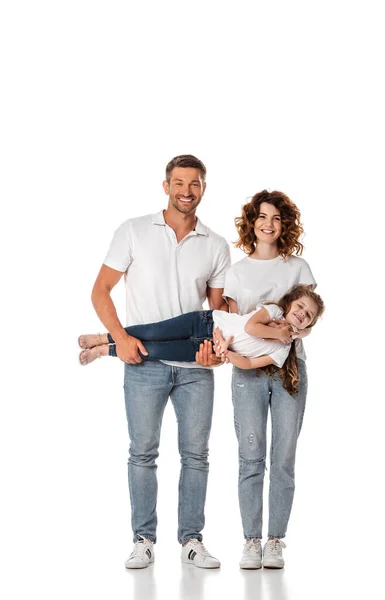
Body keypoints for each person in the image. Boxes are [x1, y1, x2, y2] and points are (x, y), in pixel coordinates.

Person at [90, 155, 231, 569]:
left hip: (195, 370)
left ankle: (191, 539)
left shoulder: (216, 244)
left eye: (195, 184)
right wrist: (119, 337)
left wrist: (217, 354)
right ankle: (143, 539)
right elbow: (101, 290)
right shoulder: (133, 231)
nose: (186, 191)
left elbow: (216, 315)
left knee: (196, 456)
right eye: (179, 182)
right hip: (143, 365)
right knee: (142, 452)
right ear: (166, 185)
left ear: (203, 188)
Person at [222, 189, 318, 570]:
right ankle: (250, 540)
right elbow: (230, 321)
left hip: (290, 371)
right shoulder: (236, 271)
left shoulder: (298, 267)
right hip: (246, 369)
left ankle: (275, 540)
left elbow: (309, 320)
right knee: (250, 455)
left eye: (277, 218)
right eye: (262, 216)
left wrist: (290, 336)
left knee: (283, 457)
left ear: (285, 225)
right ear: (251, 221)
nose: (268, 224)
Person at [78, 285, 324, 397]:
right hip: (206, 322)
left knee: (152, 350)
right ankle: (102, 337)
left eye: (308, 315)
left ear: (308, 325)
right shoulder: (273, 312)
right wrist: (279, 333)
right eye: (301, 306)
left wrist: (227, 354)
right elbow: (251, 327)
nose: (302, 313)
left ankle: (103, 351)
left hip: (206, 347)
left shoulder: (283, 351)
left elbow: (248, 364)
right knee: (152, 332)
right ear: (290, 302)